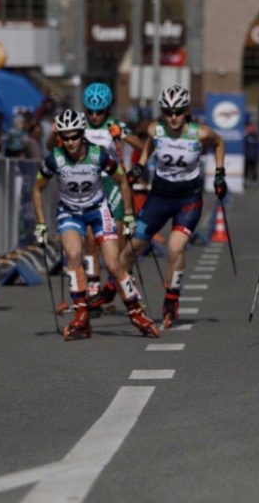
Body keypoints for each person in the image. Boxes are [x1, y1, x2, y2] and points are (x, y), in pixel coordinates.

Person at [31, 109, 158, 340]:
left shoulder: (98, 155)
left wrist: (129, 214)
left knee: (113, 264)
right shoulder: (55, 158)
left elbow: (122, 180)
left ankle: (136, 311)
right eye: (65, 137)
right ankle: (81, 314)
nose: (70, 142)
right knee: (73, 254)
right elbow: (37, 188)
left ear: (82, 134)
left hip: (98, 210)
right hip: (70, 212)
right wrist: (41, 223)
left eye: (74, 136)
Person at [119, 85, 225, 329]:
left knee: (175, 249)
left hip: (188, 199)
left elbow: (219, 143)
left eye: (178, 112)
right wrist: (140, 165)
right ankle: (123, 292)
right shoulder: (155, 129)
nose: (173, 117)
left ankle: (171, 298)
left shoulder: (200, 133)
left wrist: (220, 173)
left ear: (186, 111)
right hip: (159, 197)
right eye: (168, 112)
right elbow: (149, 144)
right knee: (129, 251)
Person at [80, 82, 147, 313]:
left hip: (112, 183)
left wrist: (123, 135)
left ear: (107, 109)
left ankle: (124, 286)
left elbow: (142, 145)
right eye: (90, 111)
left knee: (117, 240)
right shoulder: (80, 124)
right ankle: (92, 291)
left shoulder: (114, 124)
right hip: (89, 184)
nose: (94, 116)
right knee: (91, 239)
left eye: (99, 111)